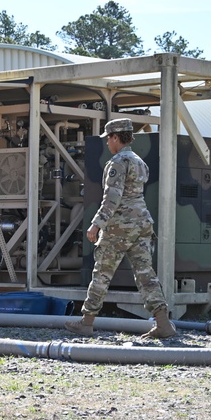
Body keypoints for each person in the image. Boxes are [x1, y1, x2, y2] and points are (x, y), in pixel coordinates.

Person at [65, 118, 176, 339]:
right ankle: (163, 323)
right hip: (142, 223)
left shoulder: (117, 163)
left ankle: (86, 322)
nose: (107, 143)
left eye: (109, 139)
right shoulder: (139, 162)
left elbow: (112, 198)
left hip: (120, 226)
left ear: (116, 138)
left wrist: (97, 224)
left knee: (101, 274)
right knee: (146, 275)